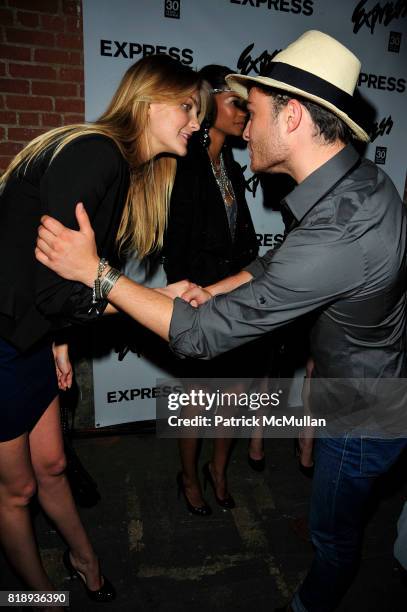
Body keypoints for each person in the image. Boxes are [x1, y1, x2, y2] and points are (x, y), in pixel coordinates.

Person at [36, 30, 407, 612]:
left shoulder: (341, 226)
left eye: (253, 111)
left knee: (332, 540)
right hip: (366, 390)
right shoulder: (350, 189)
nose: (241, 123)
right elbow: (276, 263)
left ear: (293, 118)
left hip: (361, 415)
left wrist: (99, 275)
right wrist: (209, 289)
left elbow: (204, 336)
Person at [0, 54, 205, 603]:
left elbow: (50, 270)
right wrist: (151, 298)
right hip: (3, 340)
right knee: (16, 490)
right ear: (148, 98)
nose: (197, 121)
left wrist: (60, 340)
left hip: (31, 336)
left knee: (54, 464)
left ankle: (81, 553)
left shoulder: (122, 168)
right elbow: (59, 287)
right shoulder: (99, 154)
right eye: (187, 106)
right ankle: (37, 595)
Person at [162, 64, 260, 514]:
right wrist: (187, 301)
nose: (244, 111)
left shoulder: (231, 165)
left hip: (233, 301)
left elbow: (246, 239)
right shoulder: (187, 162)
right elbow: (176, 246)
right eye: (234, 101)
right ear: (208, 102)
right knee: (198, 400)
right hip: (198, 300)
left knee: (235, 394)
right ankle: (187, 476)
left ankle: (218, 470)